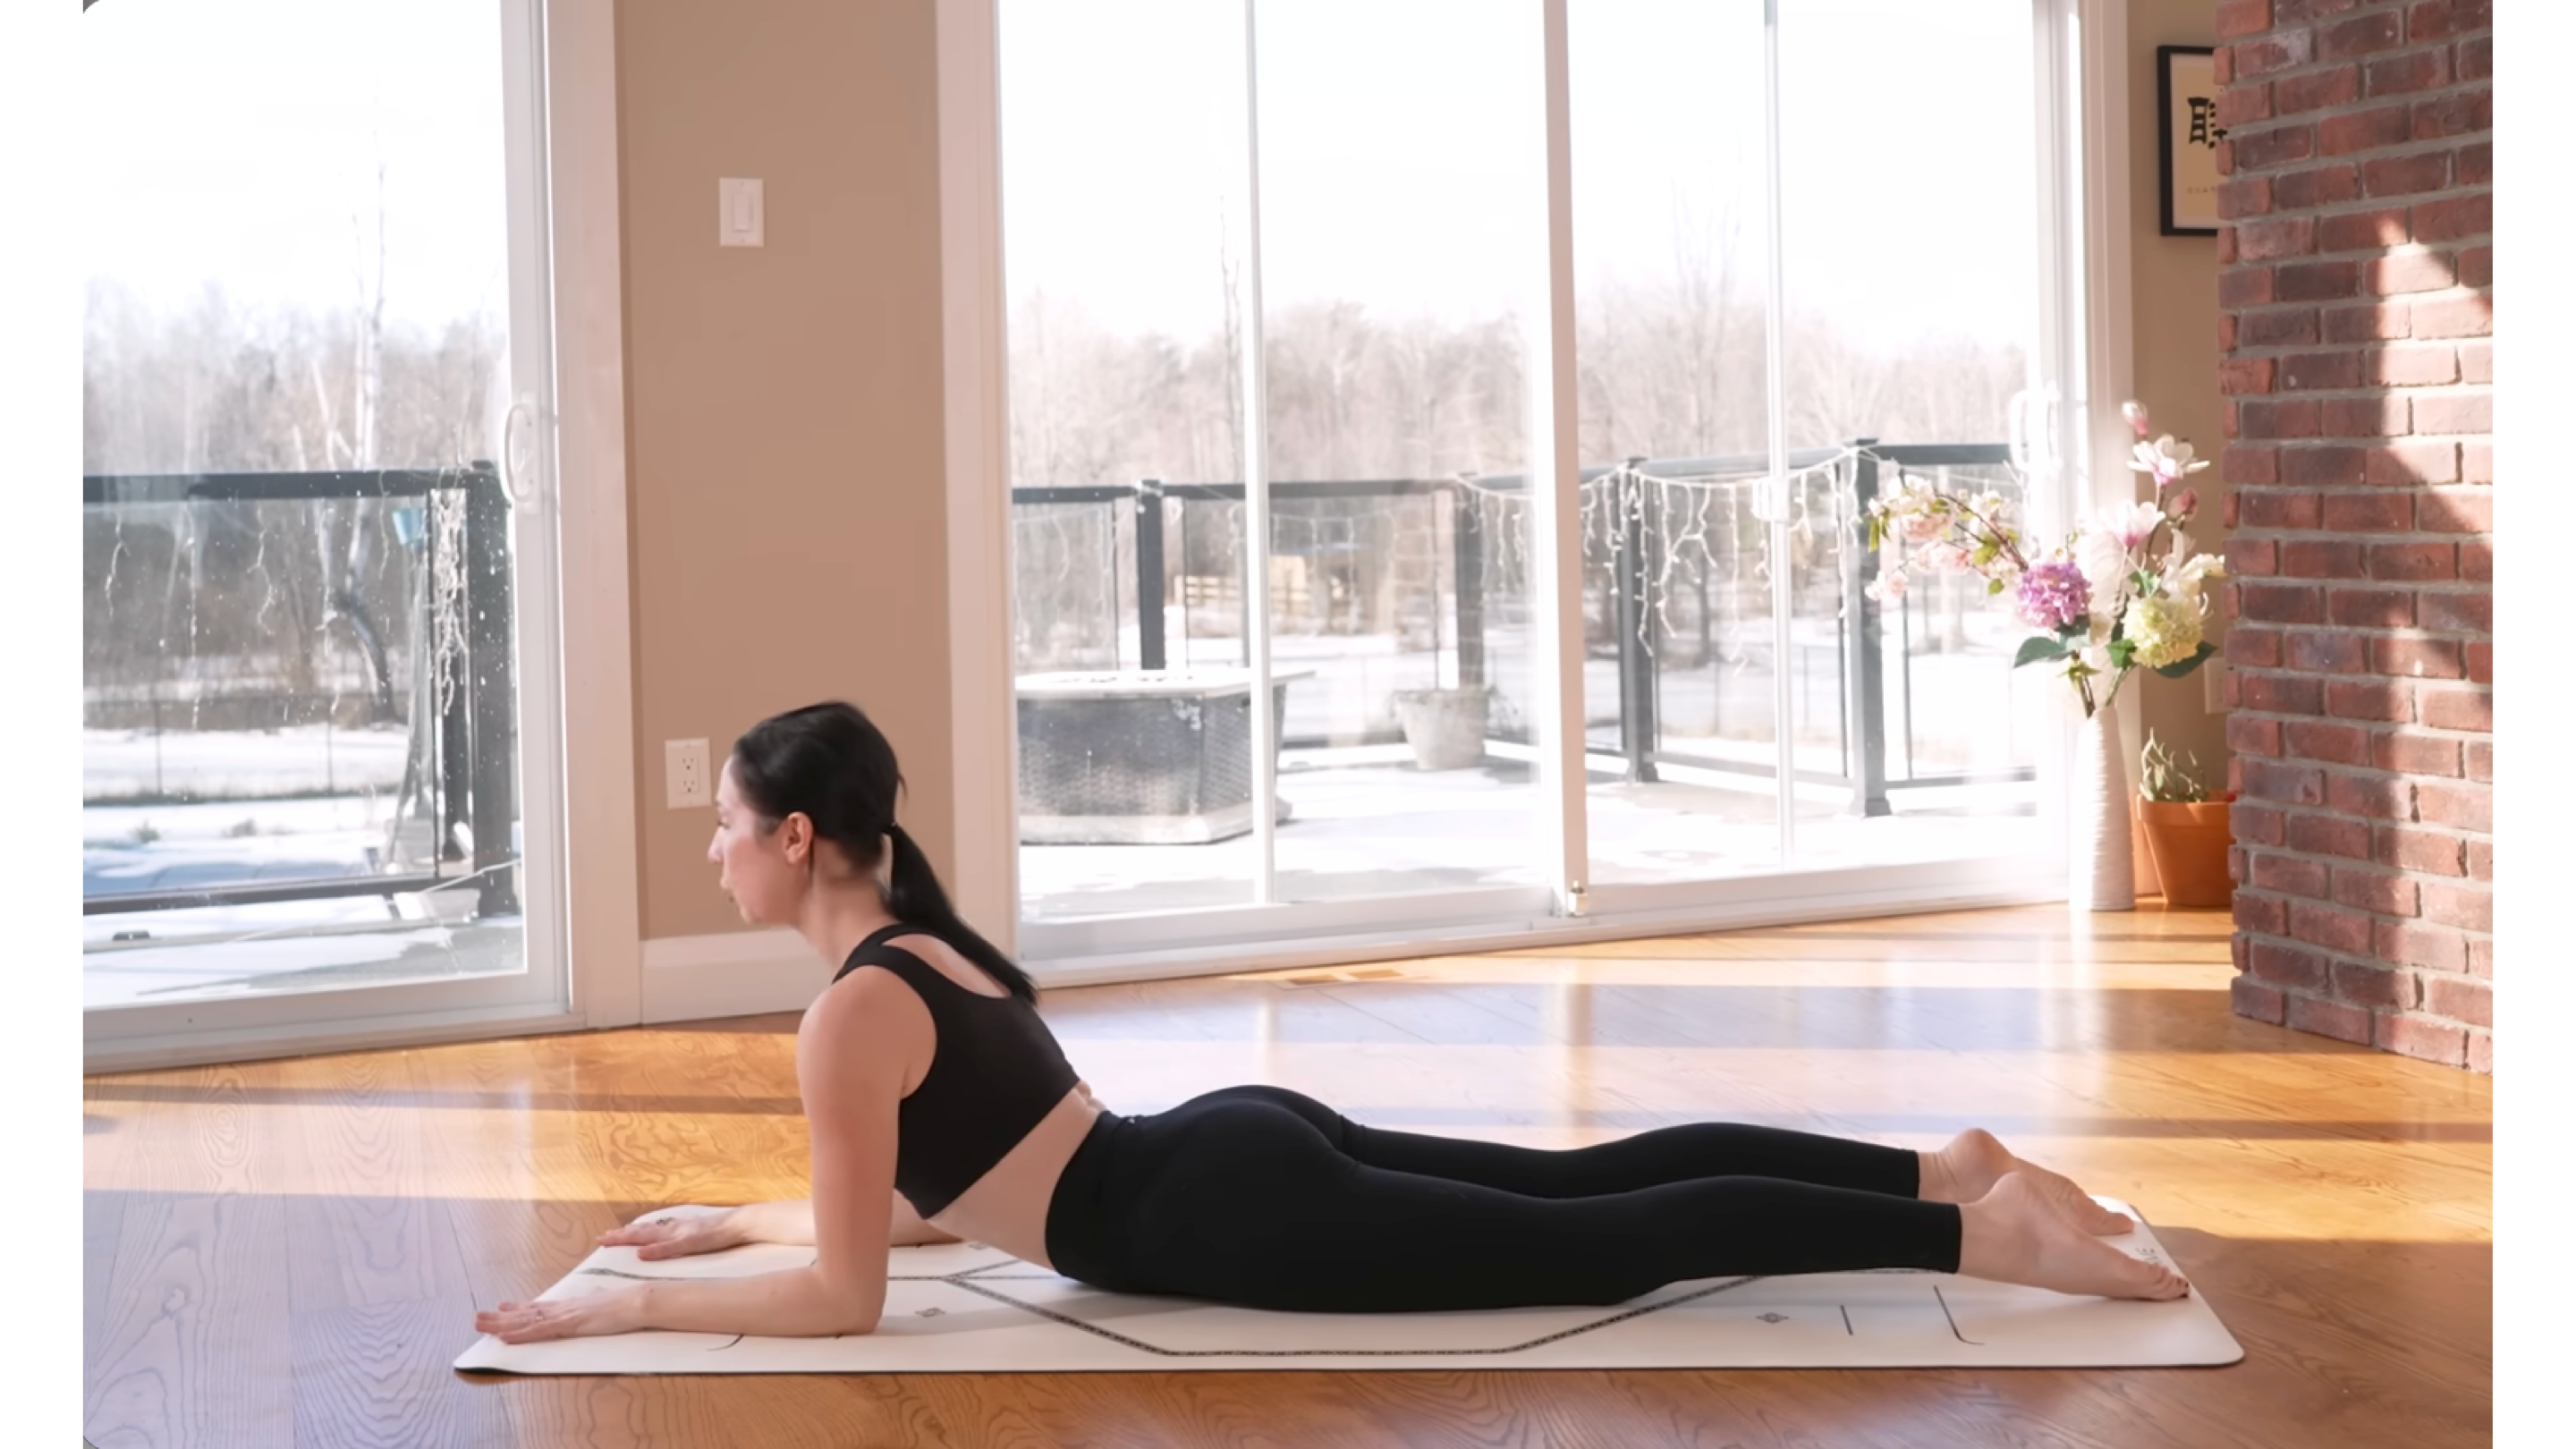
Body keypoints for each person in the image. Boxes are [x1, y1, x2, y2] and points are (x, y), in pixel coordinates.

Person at [474, 702, 2187, 1345]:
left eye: (722, 826)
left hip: (1212, 1209)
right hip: (1221, 1147)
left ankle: (1981, 1235)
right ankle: (1937, 1165)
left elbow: (850, 1300)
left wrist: (628, 1311)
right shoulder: (928, 951)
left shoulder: (849, 1017)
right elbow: (944, 1203)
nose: (709, 852)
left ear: (795, 839)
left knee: (1604, 1245)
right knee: (1587, 1181)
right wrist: (731, 1223)